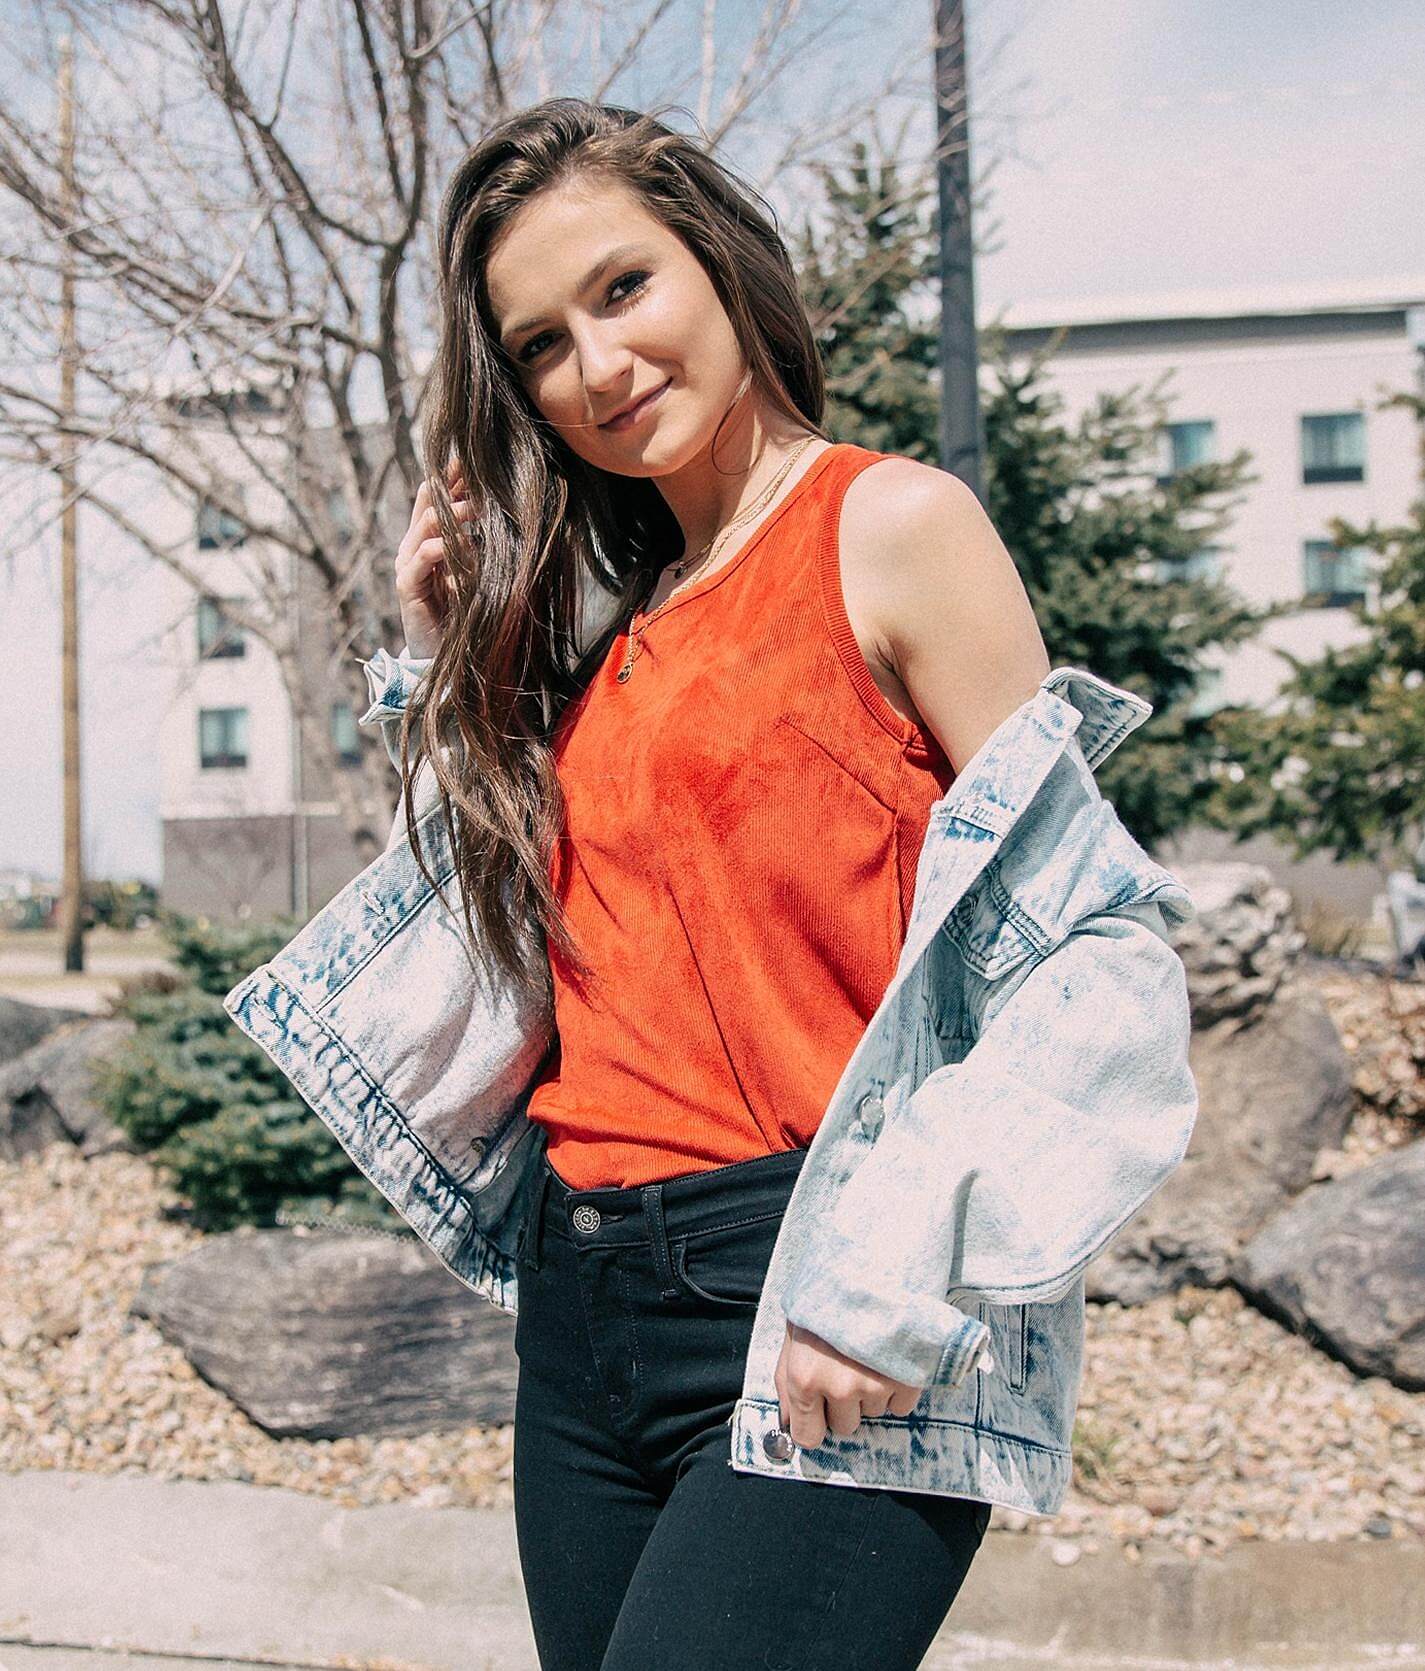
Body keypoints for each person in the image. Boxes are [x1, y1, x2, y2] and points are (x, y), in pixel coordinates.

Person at [363, 96, 1153, 1671]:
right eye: (536, 345)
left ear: (718, 264)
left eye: (621, 289)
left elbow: (1093, 956)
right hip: (579, 1315)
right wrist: (459, 664)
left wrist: (890, 1277)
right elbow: (529, 964)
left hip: (806, 1282)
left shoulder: (893, 528)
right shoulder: (621, 620)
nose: (595, 365)